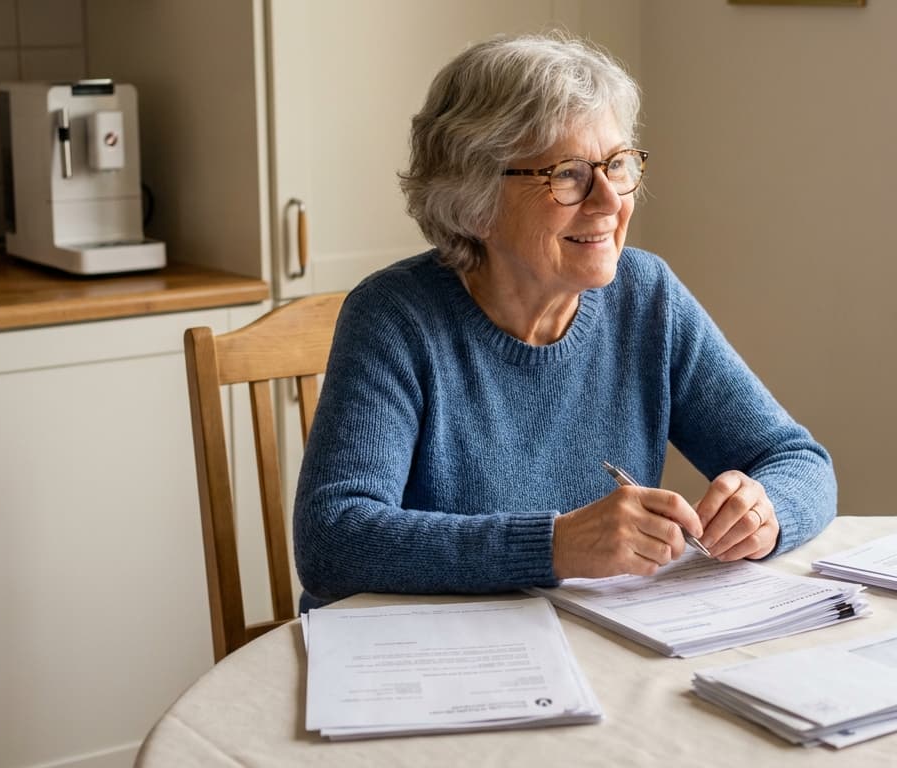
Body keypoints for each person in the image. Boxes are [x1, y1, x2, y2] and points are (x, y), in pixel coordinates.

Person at [293, 33, 836, 610]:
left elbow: (799, 462)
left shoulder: (646, 295)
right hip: (429, 663)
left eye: (619, 165)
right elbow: (333, 540)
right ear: (474, 199)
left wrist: (765, 512)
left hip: (592, 648)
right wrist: (554, 545)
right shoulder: (395, 317)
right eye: (571, 174)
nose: (610, 201)